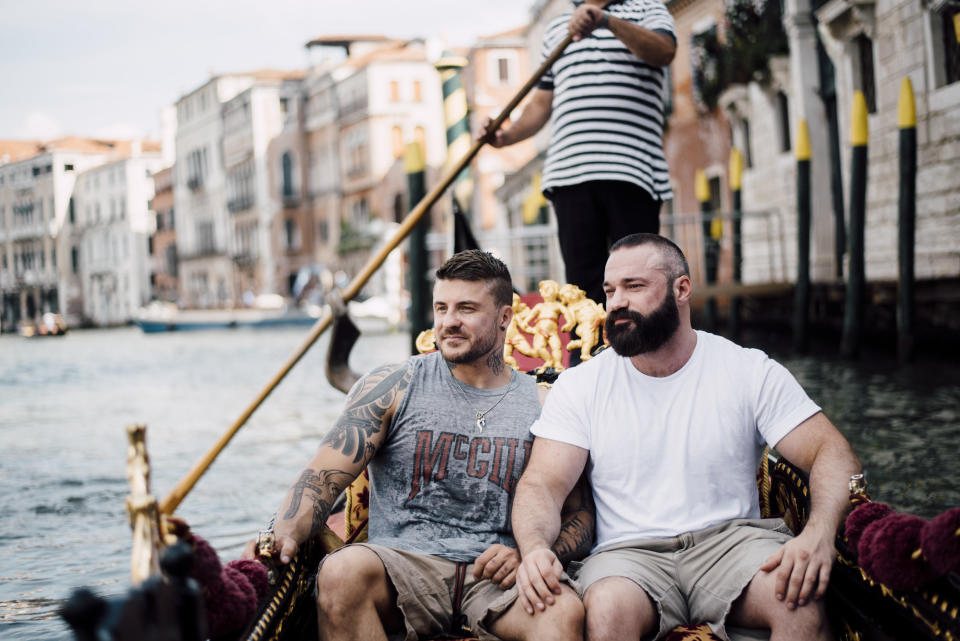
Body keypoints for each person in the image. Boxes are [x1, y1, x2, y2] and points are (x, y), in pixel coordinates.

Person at [511, 233, 862, 641]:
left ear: (682, 289)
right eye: (610, 291)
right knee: (606, 613)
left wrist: (819, 535)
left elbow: (832, 452)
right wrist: (535, 547)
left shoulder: (747, 370)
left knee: (799, 602)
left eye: (634, 286)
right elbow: (543, 484)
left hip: (732, 544)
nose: (617, 303)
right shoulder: (581, 385)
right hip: (628, 557)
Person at [244, 250, 590, 641]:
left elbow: (581, 515)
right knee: (341, 572)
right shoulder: (393, 386)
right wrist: (280, 536)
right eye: (441, 308)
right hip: (402, 566)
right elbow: (320, 480)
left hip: (498, 574)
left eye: (466, 308)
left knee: (561, 612)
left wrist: (533, 555)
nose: (449, 322)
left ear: (504, 317)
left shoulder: (544, 403)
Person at [483, 0, 677, 304]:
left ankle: (640, 348)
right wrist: (506, 137)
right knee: (583, 286)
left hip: (632, 169)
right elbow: (540, 104)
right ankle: (591, 350)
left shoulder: (648, 10)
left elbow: (664, 51)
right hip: (569, 172)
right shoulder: (557, 29)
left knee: (637, 277)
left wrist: (607, 22)